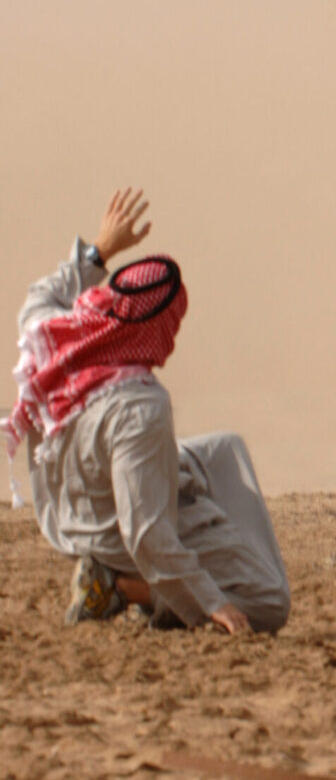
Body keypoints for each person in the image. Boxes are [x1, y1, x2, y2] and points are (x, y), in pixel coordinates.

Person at [3, 189, 290, 635]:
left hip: (77, 495)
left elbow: (43, 292)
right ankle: (120, 587)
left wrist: (102, 249)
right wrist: (213, 603)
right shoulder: (140, 406)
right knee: (268, 601)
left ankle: (203, 537)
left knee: (225, 449)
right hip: (108, 532)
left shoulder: (53, 334)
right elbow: (145, 535)